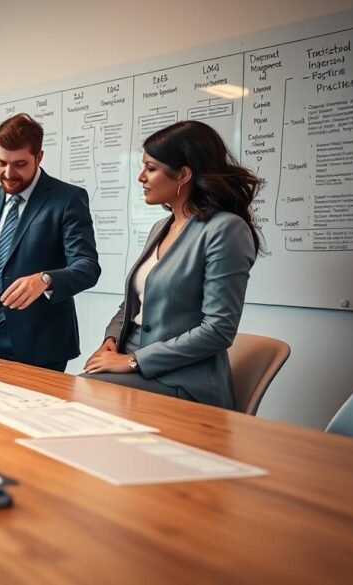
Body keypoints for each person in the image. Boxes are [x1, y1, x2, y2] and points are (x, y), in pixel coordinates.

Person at [83, 120, 263, 409]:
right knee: (73, 391)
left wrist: (132, 361)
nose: (141, 177)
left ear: (184, 175)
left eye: (151, 168)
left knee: (83, 395)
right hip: (130, 361)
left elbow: (218, 329)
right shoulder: (160, 227)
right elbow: (136, 301)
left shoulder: (226, 229)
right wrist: (112, 339)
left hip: (183, 380)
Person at [0, 113, 100, 371]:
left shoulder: (67, 199)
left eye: (20, 164)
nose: (8, 173)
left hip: (42, 343)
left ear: (39, 157)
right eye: (1, 163)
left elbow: (87, 267)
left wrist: (45, 279)